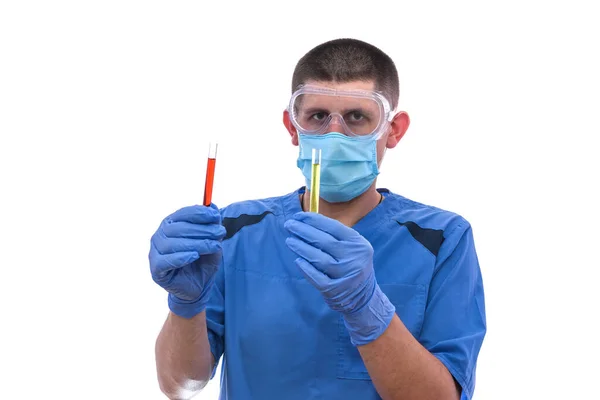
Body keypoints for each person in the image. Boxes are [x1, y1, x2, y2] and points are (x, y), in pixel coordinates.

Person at [149, 38, 487, 400]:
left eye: (357, 117)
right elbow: (180, 385)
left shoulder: (441, 239)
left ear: (393, 130)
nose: (334, 134)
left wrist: (367, 307)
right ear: (293, 127)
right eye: (317, 116)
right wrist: (185, 304)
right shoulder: (232, 231)